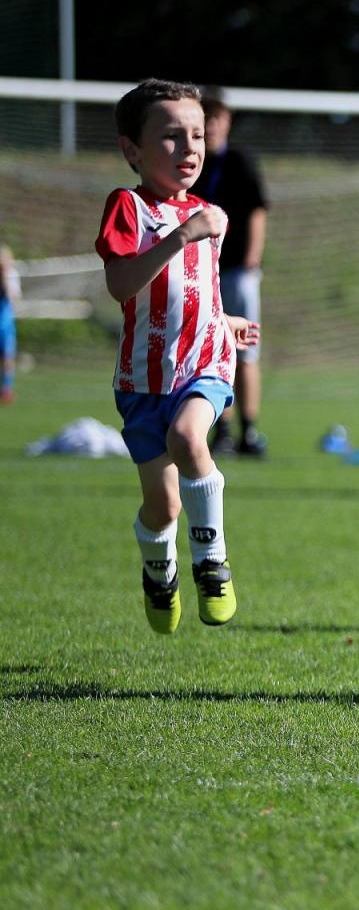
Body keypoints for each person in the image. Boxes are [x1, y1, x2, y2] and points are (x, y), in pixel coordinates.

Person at [94, 79, 260, 633]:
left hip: (203, 366)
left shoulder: (211, 214)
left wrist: (225, 322)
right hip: (143, 382)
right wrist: (180, 237)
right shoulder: (129, 208)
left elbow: (198, 292)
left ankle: (212, 563)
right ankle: (158, 572)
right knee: (162, 508)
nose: (189, 147)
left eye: (197, 135)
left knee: (190, 438)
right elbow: (122, 285)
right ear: (132, 150)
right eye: (171, 136)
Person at [197, 86, 270, 457]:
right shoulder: (192, 165)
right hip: (202, 272)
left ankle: (249, 429)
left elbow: (257, 209)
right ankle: (220, 429)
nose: (210, 126)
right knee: (211, 350)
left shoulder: (239, 162)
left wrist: (252, 258)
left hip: (237, 271)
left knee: (245, 349)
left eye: (216, 119)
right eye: (205, 119)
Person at [0, 244, 17, 404]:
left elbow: (13, 297)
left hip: (5, 323)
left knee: (8, 356)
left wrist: (4, 277)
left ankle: (6, 388)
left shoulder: (11, 275)